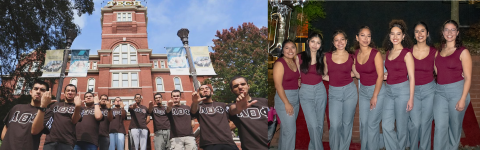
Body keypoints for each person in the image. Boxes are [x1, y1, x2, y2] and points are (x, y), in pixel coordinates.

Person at [433, 20, 472, 150]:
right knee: (440, 126)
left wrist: (462, 99)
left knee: (455, 127)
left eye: (453, 29)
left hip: (457, 92)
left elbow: (468, 78)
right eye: (446, 29)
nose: (449, 33)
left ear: (457, 32)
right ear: (442, 32)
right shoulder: (439, 51)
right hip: (440, 93)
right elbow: (437, 72)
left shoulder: (463, 52)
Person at [382, 19, 415, 150]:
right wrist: (386, 76)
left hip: (403, 91)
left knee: (402, 127)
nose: (395, 37)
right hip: (389, 91)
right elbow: (390, 71)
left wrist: (411, 98)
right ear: (389, 36)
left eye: (398, 34)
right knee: (386, 125)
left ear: (403, 36)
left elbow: (412, 77)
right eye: (392, 34)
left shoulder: (407, 53)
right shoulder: (388, 52)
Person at [191, 84, 256, 150]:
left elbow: (233, 113)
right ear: (199, 93)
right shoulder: (198, 107)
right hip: (209, 143)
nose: (205, 90)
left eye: (207, 88)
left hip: (228, 142)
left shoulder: (222, 105)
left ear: (212, 92)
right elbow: (193, 111)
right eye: (202, 90)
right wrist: (195, 102)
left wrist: (239, 108)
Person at [351, 26, 385, 150]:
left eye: (368, 36)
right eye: (363, 35)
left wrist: (375, 95)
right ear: (357, 37)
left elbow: (381, 76)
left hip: (377, 91)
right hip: (364, 91)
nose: (366, 38)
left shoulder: (375, 54)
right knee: (364, 124)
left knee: (372, 124)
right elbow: (356, 70)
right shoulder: (356, 53)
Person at [323, 30, 358, 150]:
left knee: (347, 124)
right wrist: (334, 78)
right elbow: (323, 75)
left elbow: (356, 73)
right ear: (333, 42)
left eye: (342, 39)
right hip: (334, 92)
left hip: (350, 91)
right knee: (335, 125)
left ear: (346, 41)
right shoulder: (327, 56)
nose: (340, 42)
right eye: (336, 40)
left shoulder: (352, 56)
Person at [294, 32, 327, 150]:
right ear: (308, 42)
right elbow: (296, 75)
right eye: (313, 41)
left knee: (319, 125)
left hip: (320, 90)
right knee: (312, 125)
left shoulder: (323, 57)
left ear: (321, 45)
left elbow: (325, 75)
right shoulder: (299, 57)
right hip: (305, 92)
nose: (315, 45)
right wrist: (297, 80)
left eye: (318, 43)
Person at [408, 22, 436, 150]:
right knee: (415, 124)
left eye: (422, 31)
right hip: (412, 91)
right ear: (414, 35)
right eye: (417, 31)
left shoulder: (434, 52)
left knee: (426, 124)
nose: (420, 34)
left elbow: (441, 71)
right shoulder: (408, 52)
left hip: (429, 90)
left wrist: (459, 72)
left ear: (428, 33)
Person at [0, 80, 52, 150]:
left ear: (47, 94)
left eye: (42, 90)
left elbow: (34, 131)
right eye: (36, 89)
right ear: (31, 92)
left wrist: (43, 107)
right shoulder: (17, 107)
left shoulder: (47, 112)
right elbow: (6, 128)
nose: (38, 91)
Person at [272, 39, 300, 150]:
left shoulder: (293, 62)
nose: (290, 50)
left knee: (286, 131)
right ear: (282, 50)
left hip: (295, 97)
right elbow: (278, 85)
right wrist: (286, 103)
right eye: (287, 48)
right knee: (290, 131)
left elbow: (293, 78)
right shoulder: (279, 63)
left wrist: (298, 82)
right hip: (284, 99)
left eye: (292, 47)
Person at [228, 76, 268, 150]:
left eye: (243, 84)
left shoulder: (264, 102)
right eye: (236, 86)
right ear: (232, 91)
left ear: (248, 86)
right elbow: (232, 110)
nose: (240, 87)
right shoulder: (231, 107)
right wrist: (238, 108)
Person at [43, 84, 83, 150]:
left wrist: (77, 106)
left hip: (67, 142)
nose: (70, 92)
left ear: (75, 94)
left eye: (72, 91)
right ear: (64, 93)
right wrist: (45, 105)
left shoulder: (79, 108)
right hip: (50, 141)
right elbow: (44, 118)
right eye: (68, 90)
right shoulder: (55, 105)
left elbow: (74, 121)